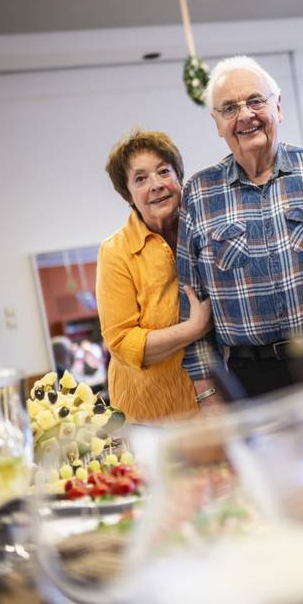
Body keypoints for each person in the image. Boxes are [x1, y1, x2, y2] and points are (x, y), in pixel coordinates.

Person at [176, 56, 303, 400]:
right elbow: (191, 301)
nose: (245, 115)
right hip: (252, 377)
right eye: (229, 108)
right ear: (217, 123)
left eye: (255, 101)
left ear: (278, 106)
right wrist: (207, 391)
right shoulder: (198, 193)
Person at [96, 129, 213, 422]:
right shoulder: (116, 252)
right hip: (149, 416)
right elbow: (122, 343)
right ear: (128, 194)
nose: (156, 185)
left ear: (179, 177)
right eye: (140, 179)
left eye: (163, 171)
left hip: (216, 399)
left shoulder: (207, 230)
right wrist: (194, 328)